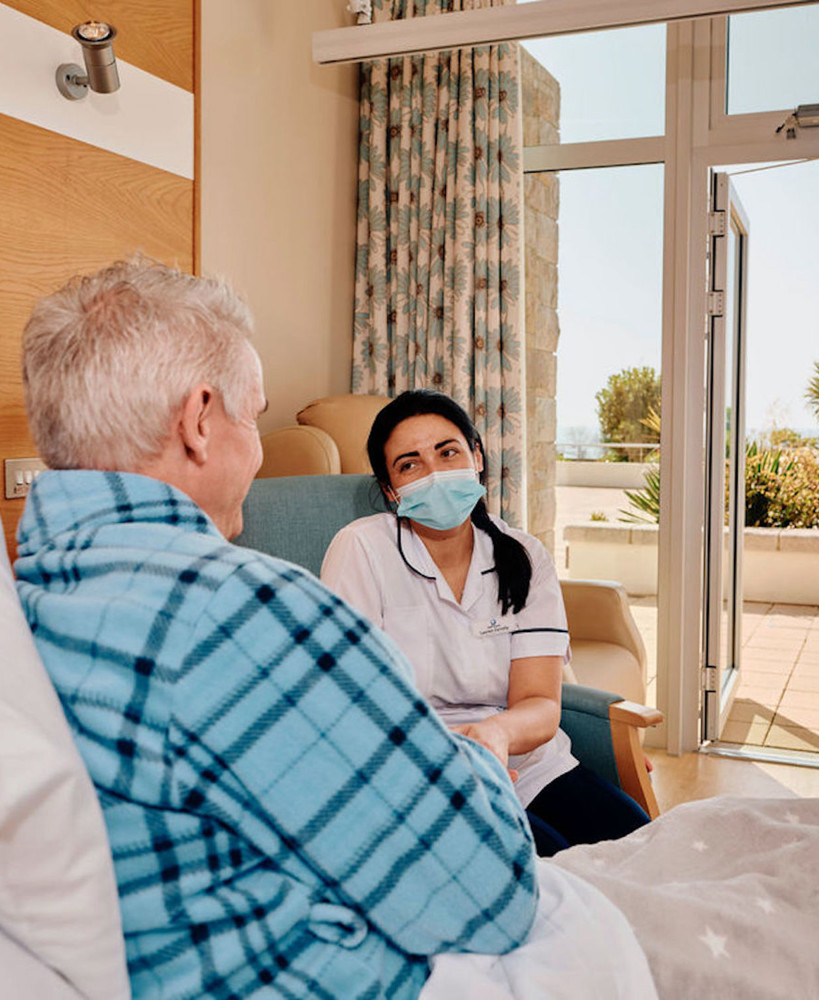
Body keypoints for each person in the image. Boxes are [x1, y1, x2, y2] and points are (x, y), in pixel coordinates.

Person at [14, 259, 539, 1000]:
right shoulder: (242, 614)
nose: (258, 451)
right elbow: (491, 891)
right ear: (199, 422)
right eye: (252, 417)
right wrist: (474, 759)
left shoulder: (28, 601)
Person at [319, 390, 651, 856]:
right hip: (422, 768)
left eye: (448, 452)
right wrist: (461, 746)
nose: (435, 474)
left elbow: (539, 701)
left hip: (527, 760)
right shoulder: (362, 550)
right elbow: (348, 704)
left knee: (640, 843)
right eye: (410, 464)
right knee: (547, 865)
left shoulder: (524, 555)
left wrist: (495, 734)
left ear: (476, 457)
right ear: (392, 490)